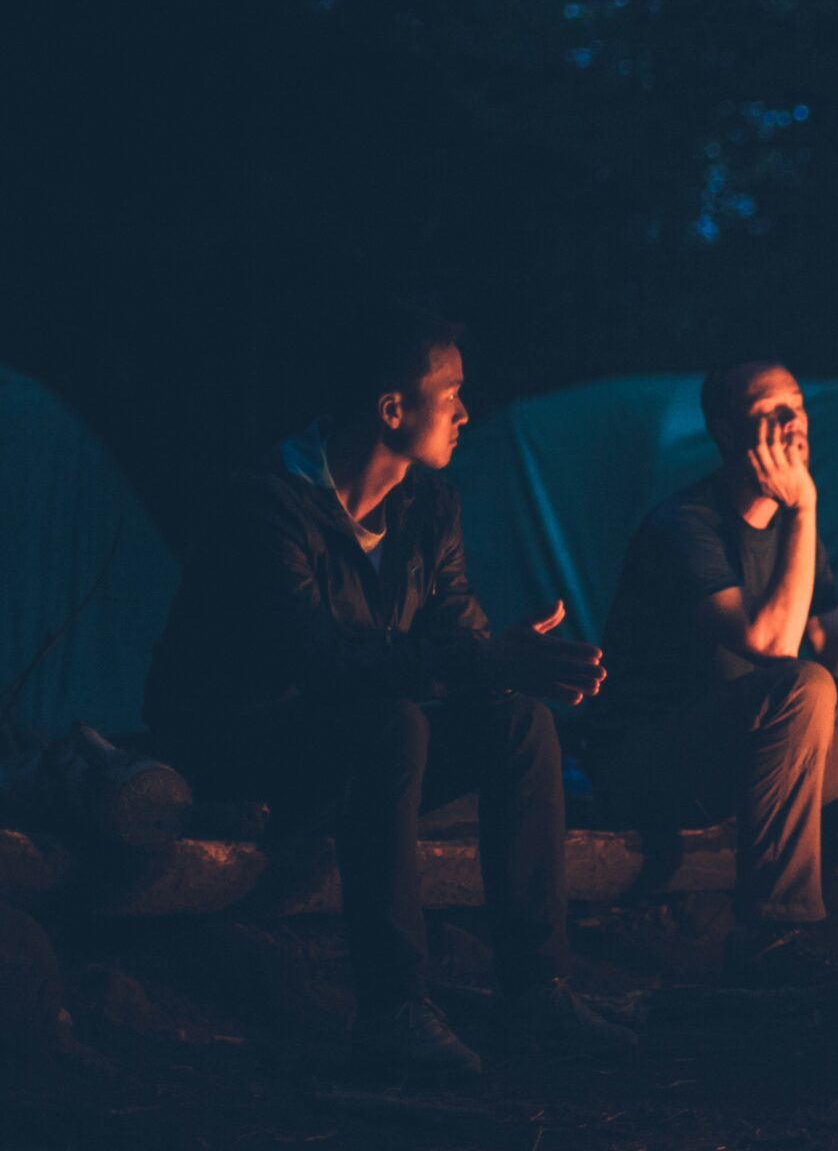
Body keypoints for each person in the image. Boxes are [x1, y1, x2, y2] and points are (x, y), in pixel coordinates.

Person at [145, 308, 634, 1075]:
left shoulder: (425, 505)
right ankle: (393, 1008)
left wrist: (507, 662)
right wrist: (480, 659)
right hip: (242, 746)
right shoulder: (268, 505)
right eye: (452, 395)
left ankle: (536, 987)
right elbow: (318, 657)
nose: (467, 412)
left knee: (515, 724)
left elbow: (452, 631)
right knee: (392, 725)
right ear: (392, 409)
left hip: (353, 740)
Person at [587, 361, 838, 977]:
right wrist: (804, 507)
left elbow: (834, 644)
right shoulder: (685, 526)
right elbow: (771, 641)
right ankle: (777, 927)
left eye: (798, 406)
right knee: (801, 684)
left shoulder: (797, 534)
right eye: (772, 411)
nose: (794, 423)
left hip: (764, 755)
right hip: (659, 765)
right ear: (726, 431)